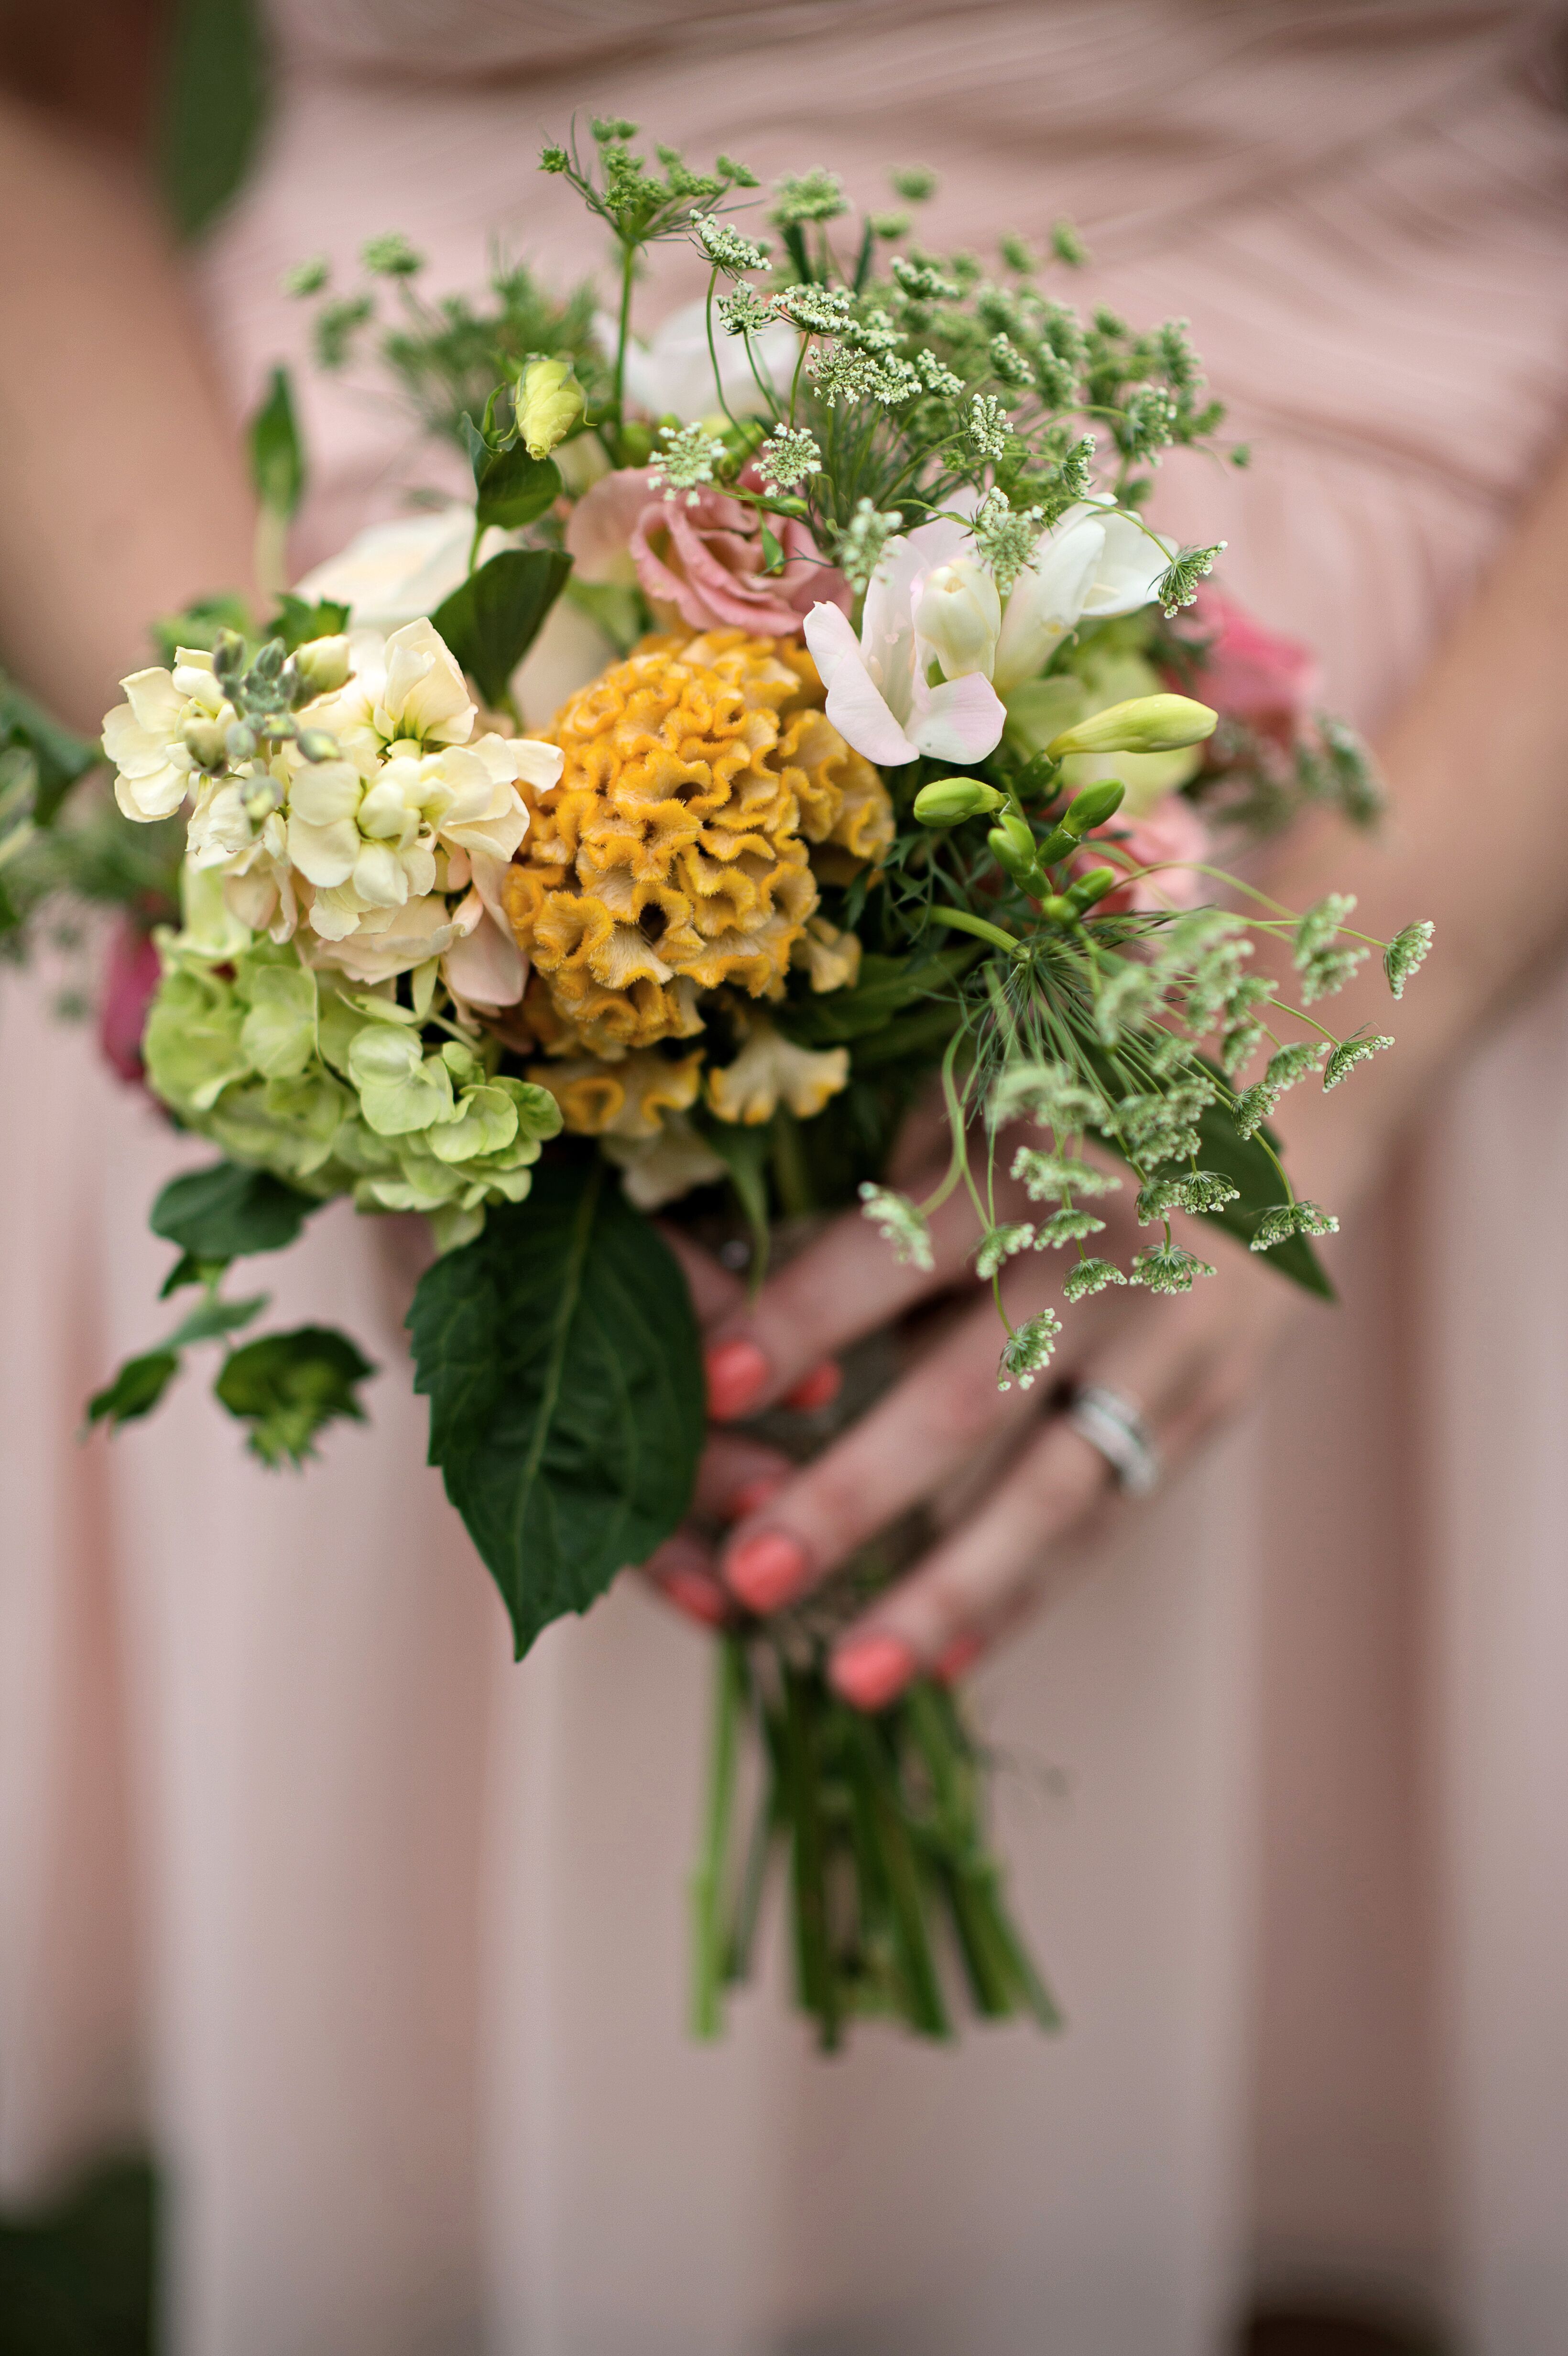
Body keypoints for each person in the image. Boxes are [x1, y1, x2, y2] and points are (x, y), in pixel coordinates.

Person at [2, 4, 1567, 2351]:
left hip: (1413, 848)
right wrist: (334, 860)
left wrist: (1337, 1020)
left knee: (1314, 2137)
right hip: (417, 789)